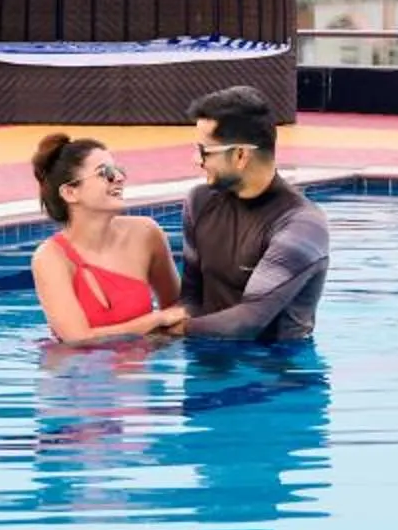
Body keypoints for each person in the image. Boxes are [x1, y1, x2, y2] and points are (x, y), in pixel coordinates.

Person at [177, 85, 328, 343]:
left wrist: (164, 333)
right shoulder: (199, 202)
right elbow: (191, 297)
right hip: (208, 364)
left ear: (240, 155)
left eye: (204, 151)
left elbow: (249, 321)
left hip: (277, 373)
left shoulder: (302, 226)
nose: (196, 160)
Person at [28, 133, 186, 343]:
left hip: (140, 369)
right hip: (77, 370)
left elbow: (177, 308)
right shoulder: (51, 258)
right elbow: (77, 339)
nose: (119, 178)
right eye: (106, 173)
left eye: (118, 170)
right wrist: (155, 321)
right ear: (70, 193)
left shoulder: (146, 234)